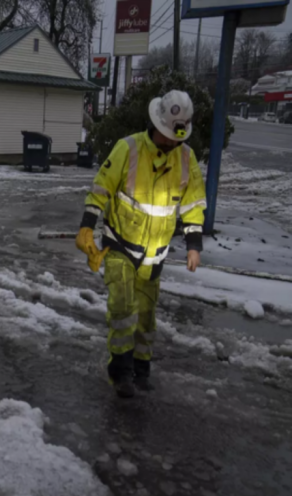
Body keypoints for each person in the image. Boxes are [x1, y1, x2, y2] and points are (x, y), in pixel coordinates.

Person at [76, 90, 207, 398]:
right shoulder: (129, 149)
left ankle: (141, 369)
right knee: (122, 308)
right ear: (157, 125)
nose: (172, 143)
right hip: (120, 244)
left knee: (146, 315)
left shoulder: (186, 159)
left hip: (155, 254)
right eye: (167, 135)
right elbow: (100, 189)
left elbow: (193, 205)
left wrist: (193, 244)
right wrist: (86, 227)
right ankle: (120, 372)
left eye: (177, 137)